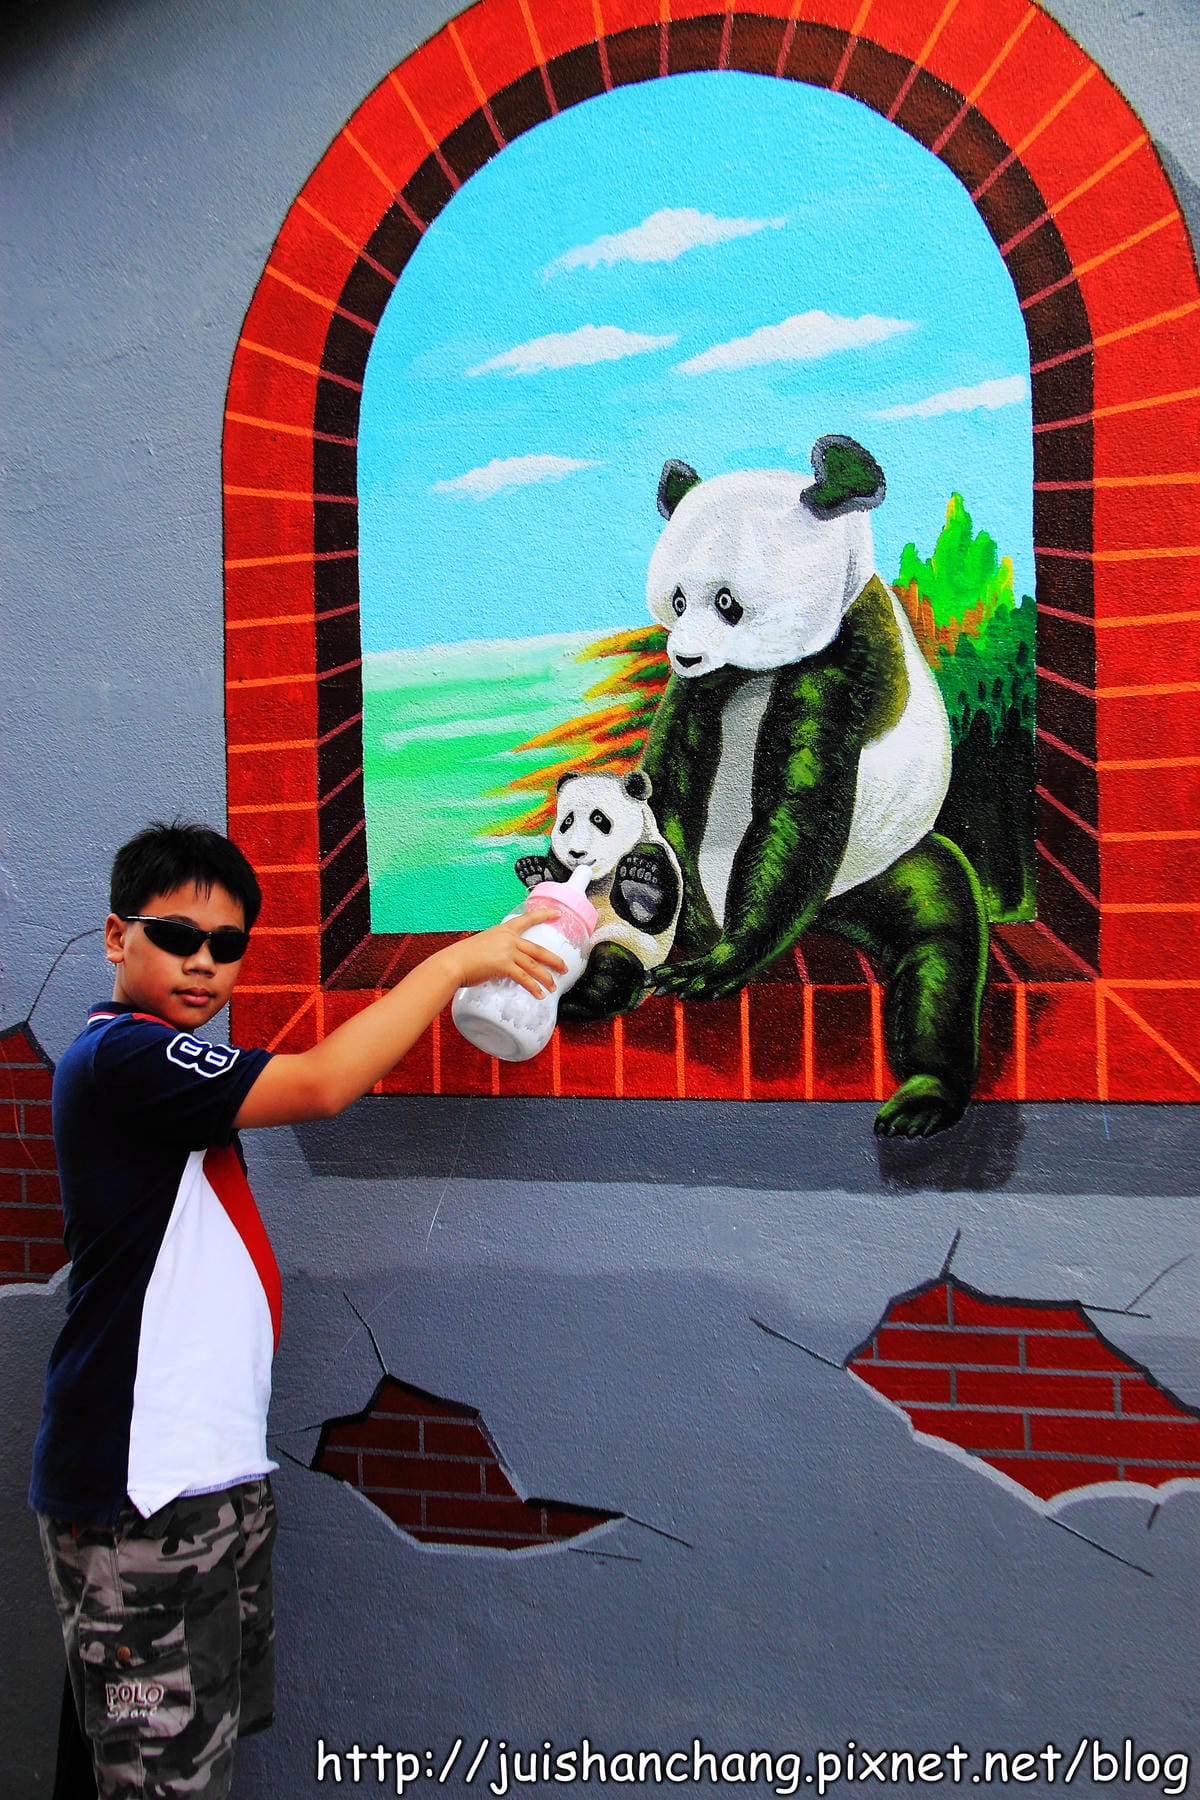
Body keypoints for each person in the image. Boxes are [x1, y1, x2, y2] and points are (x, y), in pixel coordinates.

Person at [30, 819, 565, 1799]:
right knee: (160, 1771)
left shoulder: (165, 1071)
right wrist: (456, 964)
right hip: (145, 1490)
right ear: (116, 937)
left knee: (160, 1757)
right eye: (176, 937)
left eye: (227, 945)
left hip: (206, 1475)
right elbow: (321, 1085)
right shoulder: (123, 1058)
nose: (204, 963)